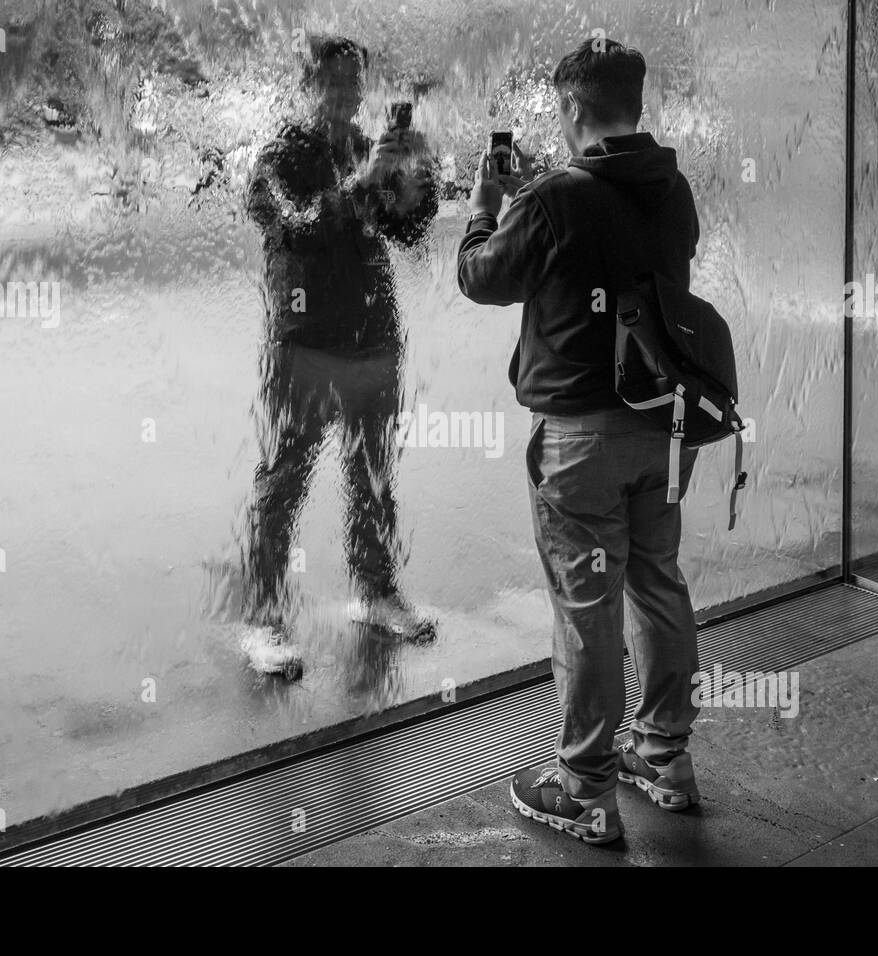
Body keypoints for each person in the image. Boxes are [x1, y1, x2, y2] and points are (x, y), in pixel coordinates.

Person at [457, 37, 703, 844]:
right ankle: (663, 757)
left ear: (569, 107)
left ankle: (586, 789)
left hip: (582, 437)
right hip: (666, 427)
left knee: (586, 606)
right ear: (633, 103)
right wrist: (539, 191)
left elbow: (482, 277)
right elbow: (616, 244)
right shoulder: (673, 191)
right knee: (657, 580)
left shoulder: (555, 197)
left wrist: (487, 205)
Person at [239, 35, 439, 678]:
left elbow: (407, 233)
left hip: (373, 336)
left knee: (373, 473)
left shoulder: (365, 147)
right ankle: (263, 619)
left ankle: (375, 593)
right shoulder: (279, 155)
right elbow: (293, 226)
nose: (347, 96)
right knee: (285, 480)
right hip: (304, 343)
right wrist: (358, 185)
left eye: (354, 83)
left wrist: (413, 182)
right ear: (306, 88)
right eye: (332, 83)